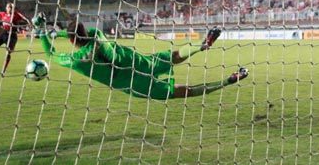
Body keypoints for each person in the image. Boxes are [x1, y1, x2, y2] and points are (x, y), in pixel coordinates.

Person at [33, 13, 248, 100]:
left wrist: (43, 31)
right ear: (84, 30)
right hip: (136, 63)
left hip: (130, 84)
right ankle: (201, 45)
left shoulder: (75, 60)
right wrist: (58, 31)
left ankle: (227, 81)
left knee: (183, 92)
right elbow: (80, 33)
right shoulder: (97, 35)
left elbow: (51, 54)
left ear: (71, 41)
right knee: (172, 56)